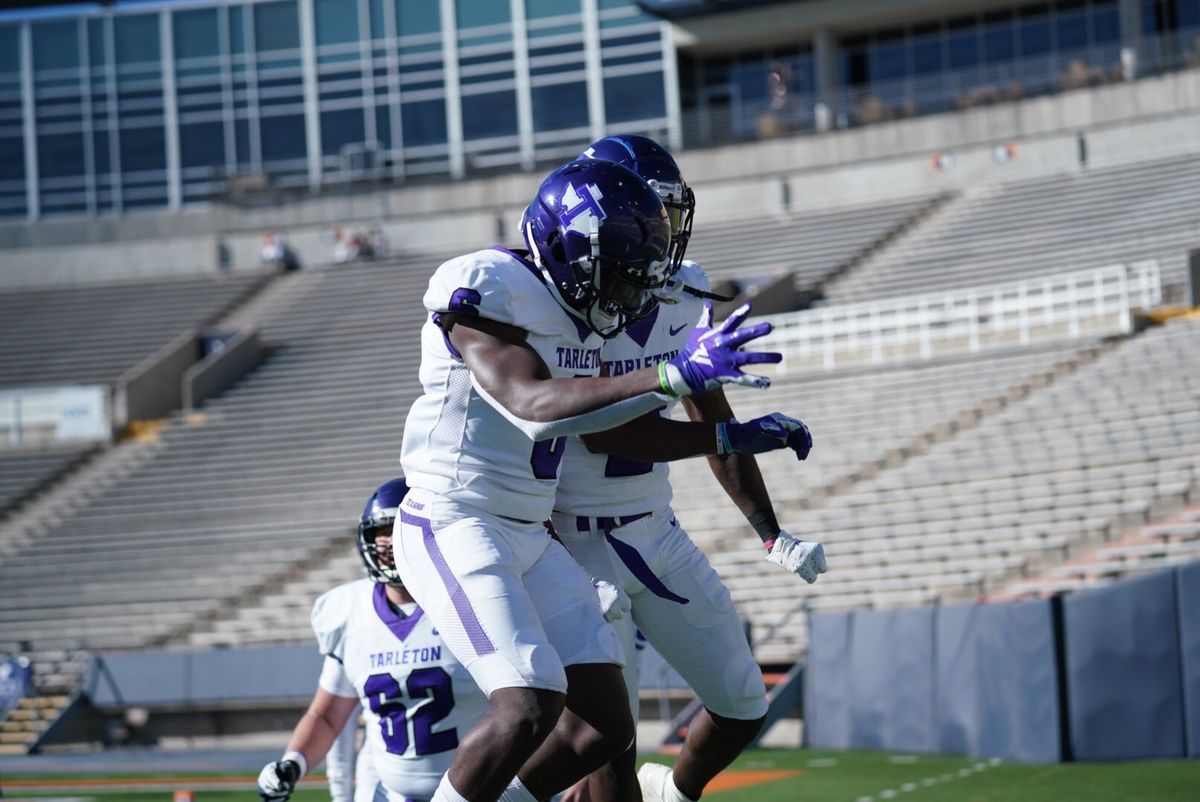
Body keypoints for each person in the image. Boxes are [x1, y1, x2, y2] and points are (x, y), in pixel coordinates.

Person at [394, 158, 788, 802]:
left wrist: (723, 428)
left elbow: (605, 414)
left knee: (601, 729)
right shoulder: (489, 286)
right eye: (619, 275)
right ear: (568, 251)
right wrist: (671, 375)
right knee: (527, 702)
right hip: (455, 519)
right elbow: (532, 404)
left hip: (528, 530)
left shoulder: (575, 309)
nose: (630, 295)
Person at [554, 135, 827, 802]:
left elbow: (711, 420)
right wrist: (717, 419)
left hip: (652, 526)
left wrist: (772, 532)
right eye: (649, 212)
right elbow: (602, 431)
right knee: (607, 743)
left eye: (668, 214)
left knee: (741, 700)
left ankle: (675, 794)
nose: (662, 231)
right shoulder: (558, 298)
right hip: (571, 543)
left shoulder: (683, 293)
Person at [257, 478, 489, 802]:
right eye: (384, 533)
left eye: (402, 531)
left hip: (482, 791)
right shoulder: (349, 612)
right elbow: (327, 715)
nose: (393, 544)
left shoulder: (472, 600)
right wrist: (292, 763)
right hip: (393, 794)